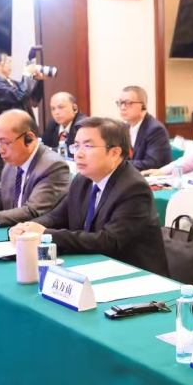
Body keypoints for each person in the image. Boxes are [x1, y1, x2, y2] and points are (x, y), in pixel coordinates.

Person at [10, 117, 169, 277]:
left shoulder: (133, 188)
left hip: (135, 276)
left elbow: (109, 241)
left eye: (87, 146)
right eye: (76, 146)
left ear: (114, 153)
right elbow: (57, 217)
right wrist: (28, 228)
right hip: (95, 267)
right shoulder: (83, 179)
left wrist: (46, 234)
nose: (78, 154)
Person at [117, 86, 172, 171]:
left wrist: (117, 165)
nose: (123, 107)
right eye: (120, 103)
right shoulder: (125, 127)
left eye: (128, 103)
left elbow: (153, 163)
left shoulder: (155, 129)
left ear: (143, 107)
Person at [0, 49, 42, 123]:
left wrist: (39, 81)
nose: (10, 65)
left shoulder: (12, 82)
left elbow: (33, 100)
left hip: (24, 123)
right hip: (11, 125)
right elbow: (18, 96)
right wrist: (27, 73)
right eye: (7, 62)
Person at [42, 92, 87, 156]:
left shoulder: (83, 125)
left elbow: (79, 151)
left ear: (75, 108)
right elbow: (42, 146)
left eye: (61, 107)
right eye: (53, 109)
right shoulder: (52, 125)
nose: (56, 112)